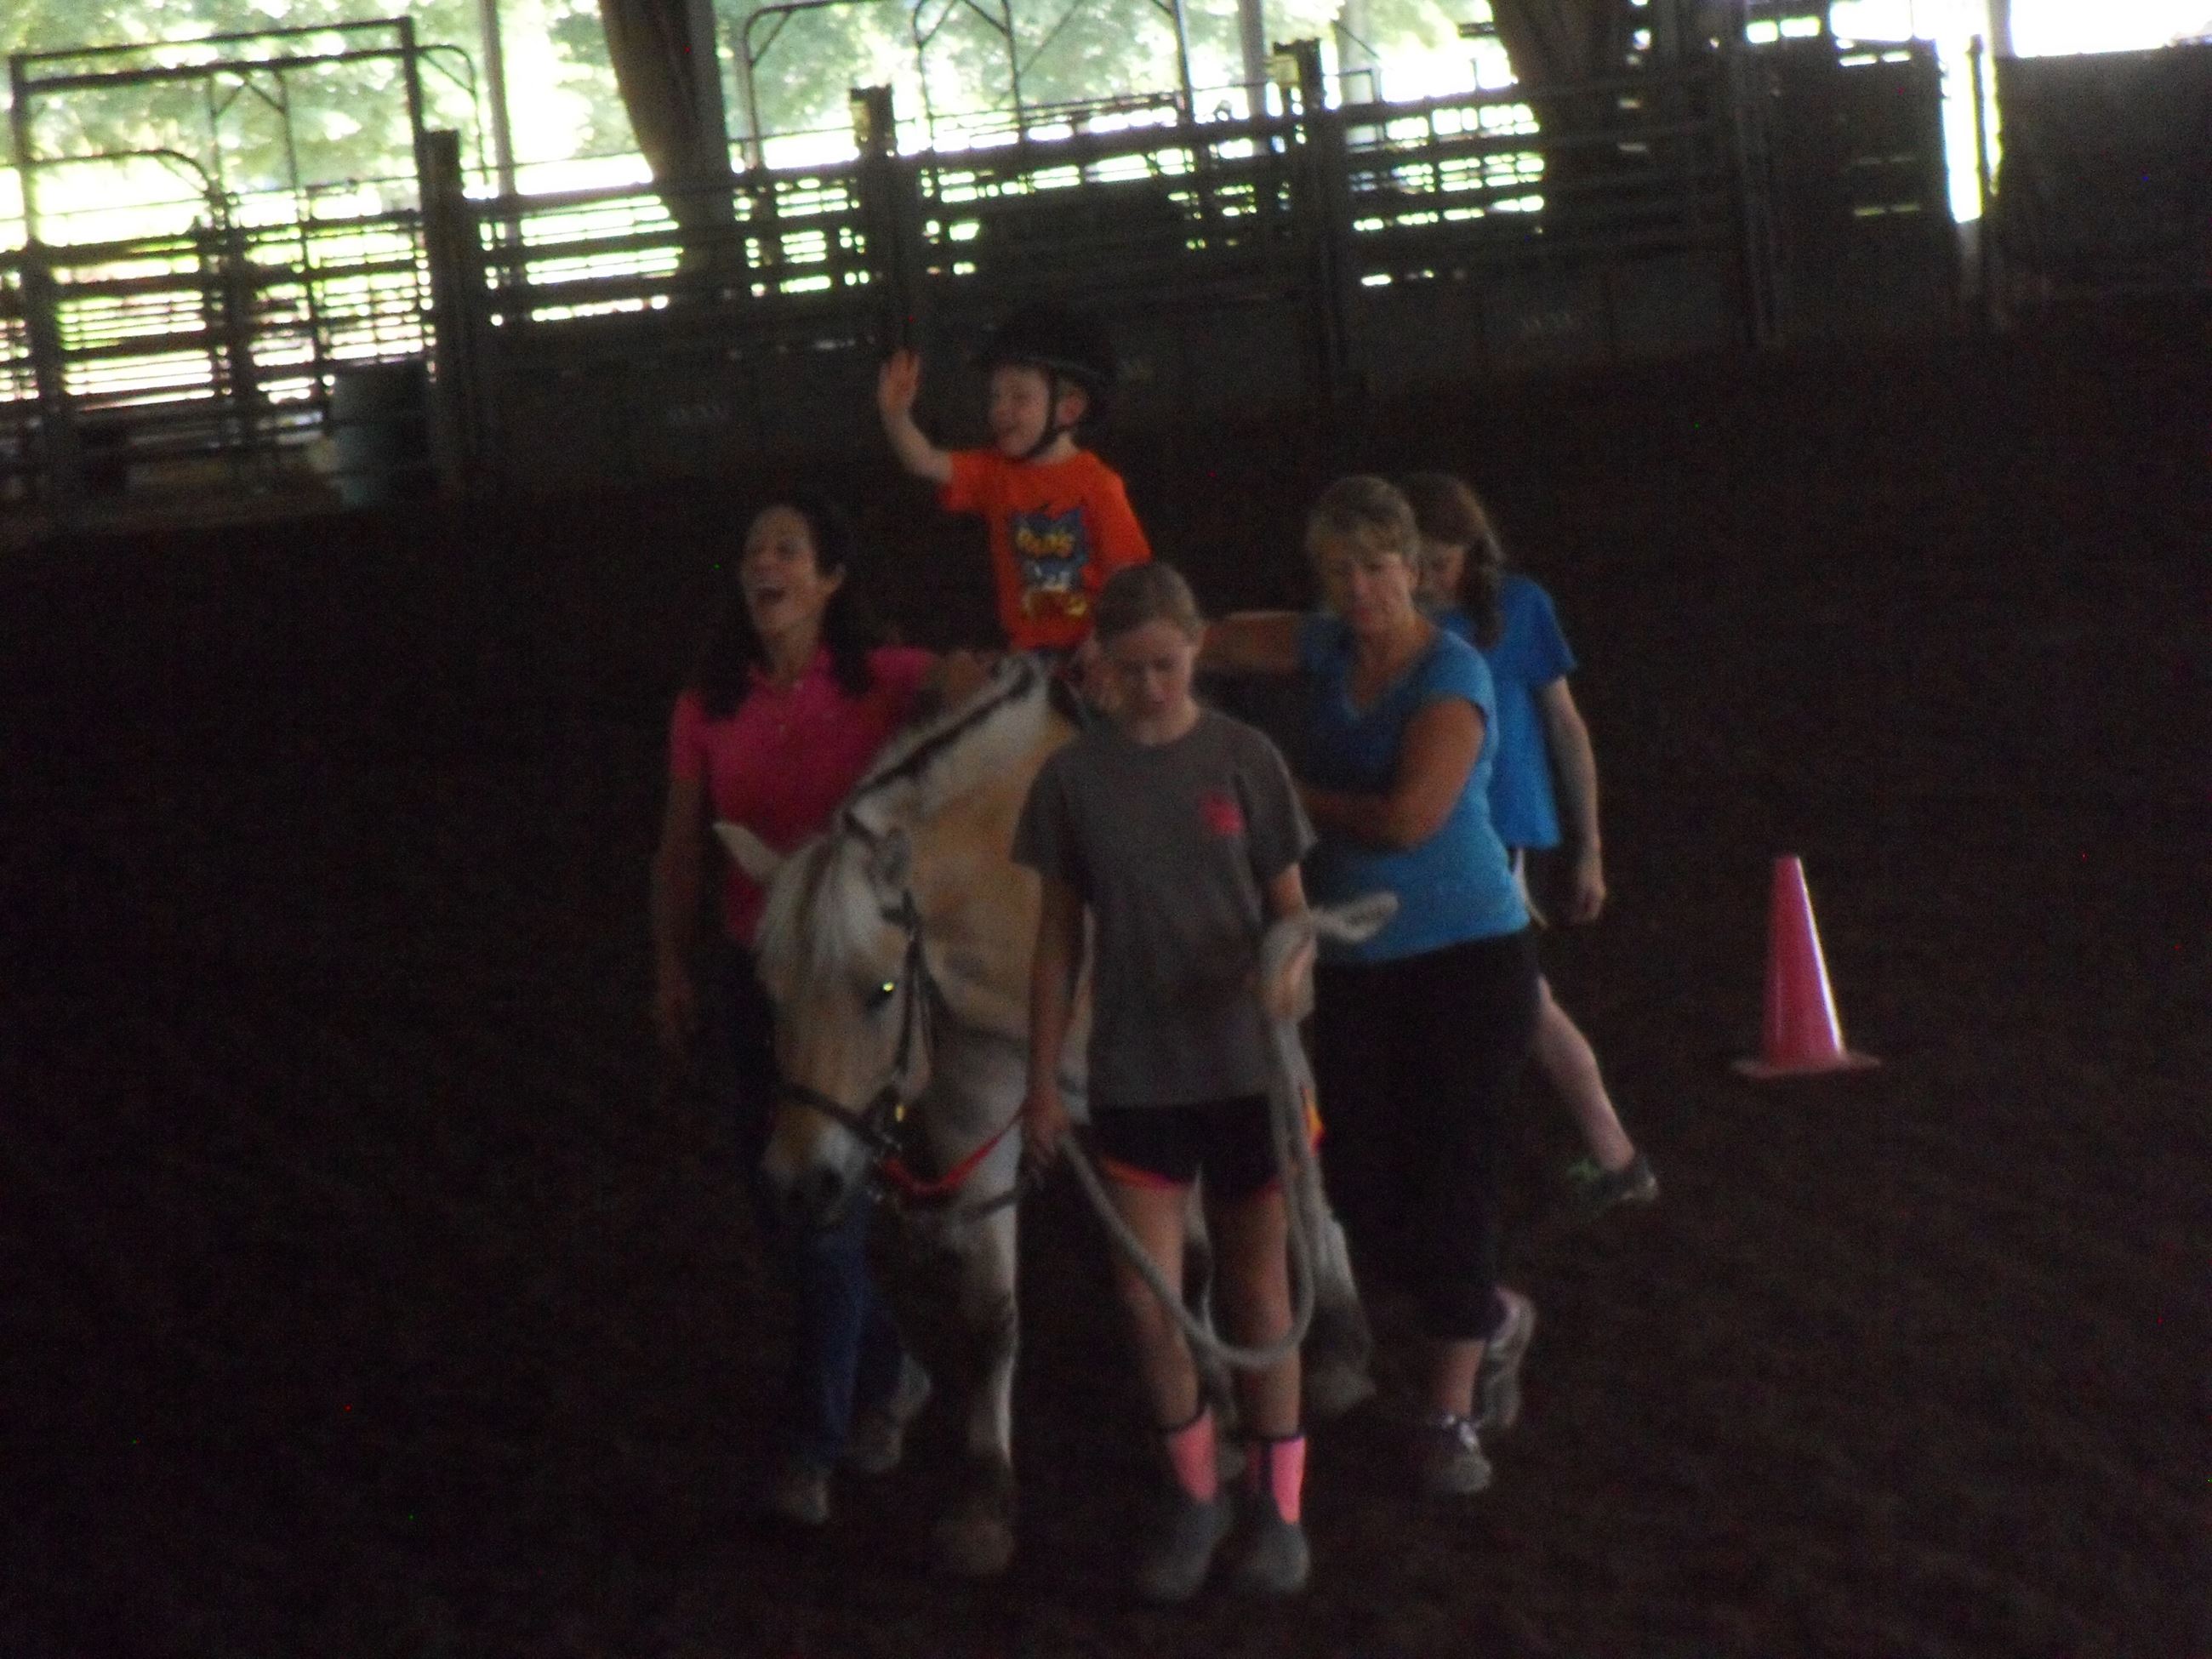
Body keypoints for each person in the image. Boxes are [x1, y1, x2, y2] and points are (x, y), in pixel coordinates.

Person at [1201, 476, 1539, 1498]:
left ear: (1412, 569)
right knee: (1356, 1189)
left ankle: (1448, 1414)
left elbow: (1407, 820)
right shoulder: (1326, 647)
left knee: (1453, 1177)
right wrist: (1115, 644)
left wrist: (1276, 790)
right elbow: (1211, 637)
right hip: (1355, 963)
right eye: (1338, 572)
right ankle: (1491, 1313)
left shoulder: (1452, 673)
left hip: (1465, 960)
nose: (1358, 589)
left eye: (1374, 568)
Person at [1015, 562, 1315, 1601]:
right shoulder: (1071, 784)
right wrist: (1042, 1081)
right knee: (1147, 1300)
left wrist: (1290, 964)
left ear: (1195, 654)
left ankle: (1276, 1508)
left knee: (1254, 1288)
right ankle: (1196, 1491)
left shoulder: (1245, 760)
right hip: (1136, 1074)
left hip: (1243, 1070)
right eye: (1133, 669)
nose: (1152, 688)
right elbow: (1055, 941)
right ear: (1099, 663)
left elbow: (1290, 905)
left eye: (1169, 667)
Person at [649, 494, 949, 1528]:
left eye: (786, 549)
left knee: (820, 1215)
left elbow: (975, 686)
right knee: (777, 1195)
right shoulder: (706, 704)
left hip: (844, 971)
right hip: (759, 968)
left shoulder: (886, 679)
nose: (762, 564)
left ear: (828, 580)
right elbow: (684, 846)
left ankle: (817, 1439)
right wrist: (669, 962)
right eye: (751, 549)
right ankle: (892, 1369)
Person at [1397, 473, 1656, 1223]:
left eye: (1438, 563)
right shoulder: (1426, 622)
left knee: (1520, 999)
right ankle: (1610, 1154)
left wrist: (1591, 847)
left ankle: (1614, 1152)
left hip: (1489, 827)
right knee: (1508, 997)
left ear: (1471, 555)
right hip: (1457, 828)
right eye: (1416, 561)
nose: (1425, 578)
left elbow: (1567, 729)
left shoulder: (1512, 609)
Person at [876, 303, 1152, 681]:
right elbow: (923, 460)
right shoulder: (994, 471)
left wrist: (1107, 635)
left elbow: (1128, 574)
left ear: (1069, 409)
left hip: (1093, 656)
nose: (1000, 410)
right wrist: (896, 416)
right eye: (995, 397)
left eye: (1019, 397)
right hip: (1026, 661)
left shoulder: (1099, 484)